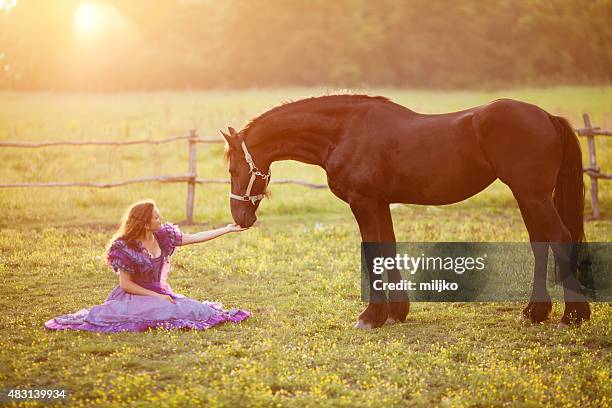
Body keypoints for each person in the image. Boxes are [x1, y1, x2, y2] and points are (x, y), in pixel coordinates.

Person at [44, 199, 251, 333]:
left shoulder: (162, 236)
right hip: (134, 297)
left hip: (161, 294)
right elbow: (126, 285)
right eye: (157, 217)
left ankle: (168, 304)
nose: (161, 219)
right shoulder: (124, 246)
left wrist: (227, 229)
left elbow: (194, 238)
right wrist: (158, 297)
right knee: (164, 308)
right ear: (145, 223)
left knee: (196, 309)